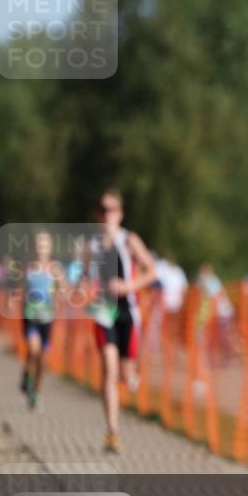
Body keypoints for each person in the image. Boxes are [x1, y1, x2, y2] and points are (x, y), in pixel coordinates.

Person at [85, 189, 156, 453]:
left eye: (112, 209)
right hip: (105, 313)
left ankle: (133, 373)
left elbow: (152, 271)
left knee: (125, 375)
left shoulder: (129, 241)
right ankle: (112, 431)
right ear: (97, 214)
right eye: (103, 209)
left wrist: (128, 287)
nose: (107, 214)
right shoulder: (90, 245)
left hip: (129, 313)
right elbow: (80, 276)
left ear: (120, 214)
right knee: (109, 370)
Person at [19, 230, 66, 411]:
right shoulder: (28, 267)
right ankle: (27, 377)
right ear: (34, 248)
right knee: (33, 349)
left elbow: (64, 289)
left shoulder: (54, 268)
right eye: (39, 245)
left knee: (43, 361)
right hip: (31, 316)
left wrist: (61, 294)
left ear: (50, 248)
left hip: (47, 318)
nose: (41, 249)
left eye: (45, 245)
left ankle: (35, 392)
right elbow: (21, 289)